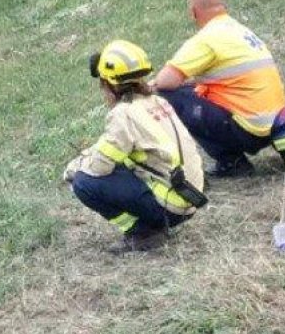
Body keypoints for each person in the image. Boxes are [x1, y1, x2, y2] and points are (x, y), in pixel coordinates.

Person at [64, 41, 206, 254]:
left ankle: (143, 232)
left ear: (109, 84)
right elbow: (110, 147)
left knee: (84, 183)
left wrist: (75, 167)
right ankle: (151, 225)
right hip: (189, 197)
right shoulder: (157, 102)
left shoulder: (123, 114)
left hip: (170, 207)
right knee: (118, 164)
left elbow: (99, 167)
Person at [150, 0, 285, 177]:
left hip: (249, 130)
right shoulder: (240, 30)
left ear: (193, 12)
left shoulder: (207, 38)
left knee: (167, 96)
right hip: (277, 124)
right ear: (223, 6)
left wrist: (149, 86)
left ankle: (231, 162)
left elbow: (165, 81)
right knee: (192, 90)